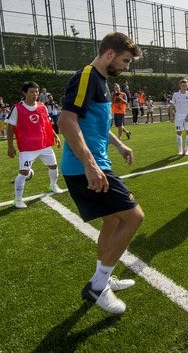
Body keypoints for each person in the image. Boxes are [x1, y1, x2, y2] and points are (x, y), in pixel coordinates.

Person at [57, 32, 144, 315]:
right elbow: (66, 121)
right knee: (133, 217)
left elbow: (94, 123)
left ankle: (102, 278)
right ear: (109, 54)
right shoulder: (87, 76)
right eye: (125, 60)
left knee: (111, 222)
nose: (126, 66)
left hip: (96, 163)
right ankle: (98, 285)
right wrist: (90, 164)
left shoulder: (103, 82)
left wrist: (119, 144)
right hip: (85, 168)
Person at [6, 81, 64, 208]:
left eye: (36, 91)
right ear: (25, 93)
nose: (35, 94)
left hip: (44, 145)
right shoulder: (17, 108)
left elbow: (47, 124)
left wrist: (55, 136)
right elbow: (10, 128)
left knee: (53, 166)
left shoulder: (42, 106)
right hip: (27, 148)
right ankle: (18, 199)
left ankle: (53, 186)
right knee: (24, 172)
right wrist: (10, 146)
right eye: (32, 91)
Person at [169, 79, 188, 155]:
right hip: (178, 117)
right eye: (183, 85)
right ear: (180, 85)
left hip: (187, 116)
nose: (184, 87)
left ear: (187, 86)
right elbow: (171, 105)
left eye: (186, 85)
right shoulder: (175, 94)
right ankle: (180, 150)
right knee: (179, 133)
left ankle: (186, 150)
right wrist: (171, 116)